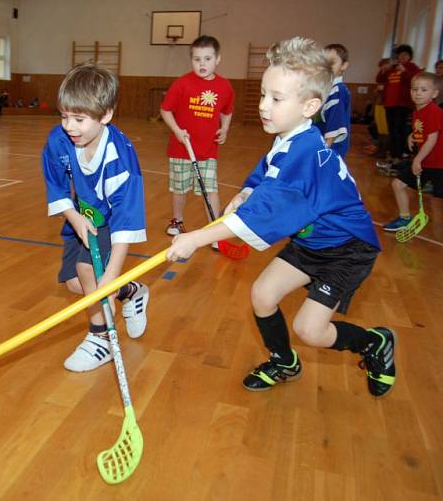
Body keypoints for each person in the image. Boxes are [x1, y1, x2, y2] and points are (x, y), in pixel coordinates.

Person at [166, 37, 396, 398]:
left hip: (346, 250)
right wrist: (244, 191)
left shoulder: (303, 153)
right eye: (262, 95)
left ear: (310, 105)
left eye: (276, 99)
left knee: (310, 329)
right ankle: (284, 361)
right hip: (311, 242)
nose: (263, 106)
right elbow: (264, 175)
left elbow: (262, 214)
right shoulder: (290, 138)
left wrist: (195, 238)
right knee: (262, 294)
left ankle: (373, 343)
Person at [42, 64, 150, 372]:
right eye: (64, 116)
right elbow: (56, 184)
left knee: (88, 271)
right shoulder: (60, 140)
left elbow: (126, 224)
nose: (69, 126)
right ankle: (133, 292)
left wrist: (112, 272)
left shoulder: (121, 160)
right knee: (78, 285)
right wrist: (73, 217)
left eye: (79, 119)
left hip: (112, 220)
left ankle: (100, 339)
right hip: (82, 215)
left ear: (105, 116)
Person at [160, 35, 234, 236]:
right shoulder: (182, 84)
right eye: (197, 59)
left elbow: (227, 111)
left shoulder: (224, 86)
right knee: (179, 189)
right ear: (191, 59)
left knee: (211, 189)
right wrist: (177, 131)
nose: (202, 64)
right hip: (181, 148)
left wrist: (225, 128)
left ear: (217, 59)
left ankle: (214, 230)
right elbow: (165, 110)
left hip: (208, 149)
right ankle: (177, 221)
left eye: (207, 59)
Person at [382, 72, 443, 231]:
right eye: (414, 89)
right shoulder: (418, 110)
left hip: (438, 163)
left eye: (424, 90)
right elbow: (424, 131)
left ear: (434, 94)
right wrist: (412, 135)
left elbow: (432, 139)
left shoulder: (433, 111)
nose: (418, 93)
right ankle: (404, 219)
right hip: (427, 161)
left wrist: (417, 160)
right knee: (398, 184)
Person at [377, 44, 420, 162]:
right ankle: (392, 154)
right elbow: (379, 80)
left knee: (398, 130)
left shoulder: (412, 67)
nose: (402, 57)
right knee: (391, 130)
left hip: (403, 105)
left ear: (409, 57)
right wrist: (383, 69)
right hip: (389, 104)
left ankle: (399, 155)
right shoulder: (393, 68)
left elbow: (415, 81)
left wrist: (404, 71)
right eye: (400, 55)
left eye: (405, 55)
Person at [317, 44, 351, 157]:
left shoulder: (337, 91)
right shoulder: (328, 88)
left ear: (344, 65)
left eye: (331, 62)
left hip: (330, 148)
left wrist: (325, 152)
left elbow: (335, 123)